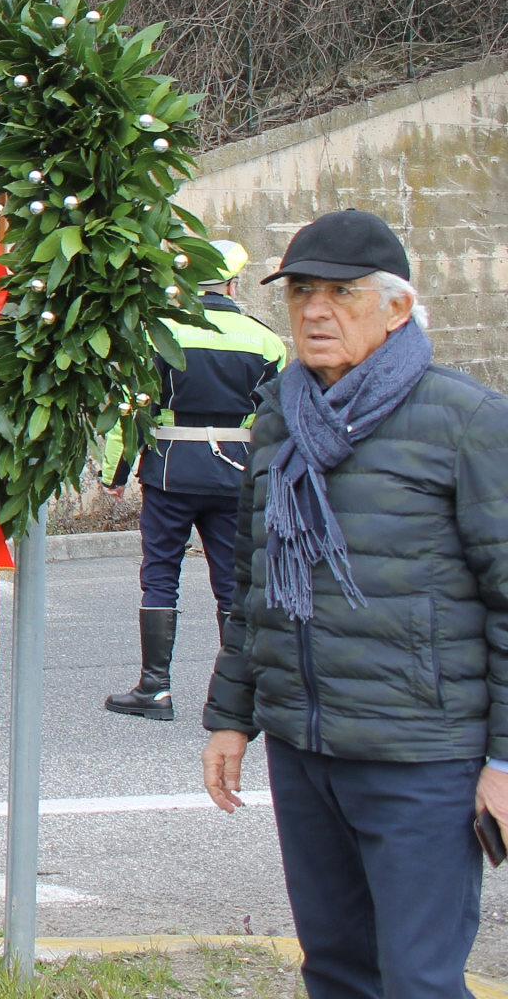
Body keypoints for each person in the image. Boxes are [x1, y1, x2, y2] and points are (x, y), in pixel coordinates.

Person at [203, 209, 508, 999]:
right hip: (305, 749)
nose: (314, 312)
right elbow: (253, 585)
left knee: (418, 981)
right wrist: (232, 717)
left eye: (341, 293)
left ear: (397, 308)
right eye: (301, 291)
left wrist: (504, 762)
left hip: (421, 759)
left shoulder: (465, 422)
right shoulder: (278, 420)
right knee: (336, 971)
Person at [100, 240, 287, 720]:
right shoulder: (266, 341)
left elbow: (130, 410)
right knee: (232, 581)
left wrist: (115, 474)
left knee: (161, 574)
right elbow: (278, 418)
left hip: (170, 469)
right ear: (233, 283)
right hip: (237, 473)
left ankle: (155, 690)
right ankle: (241, 694)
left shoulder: (158, 334)